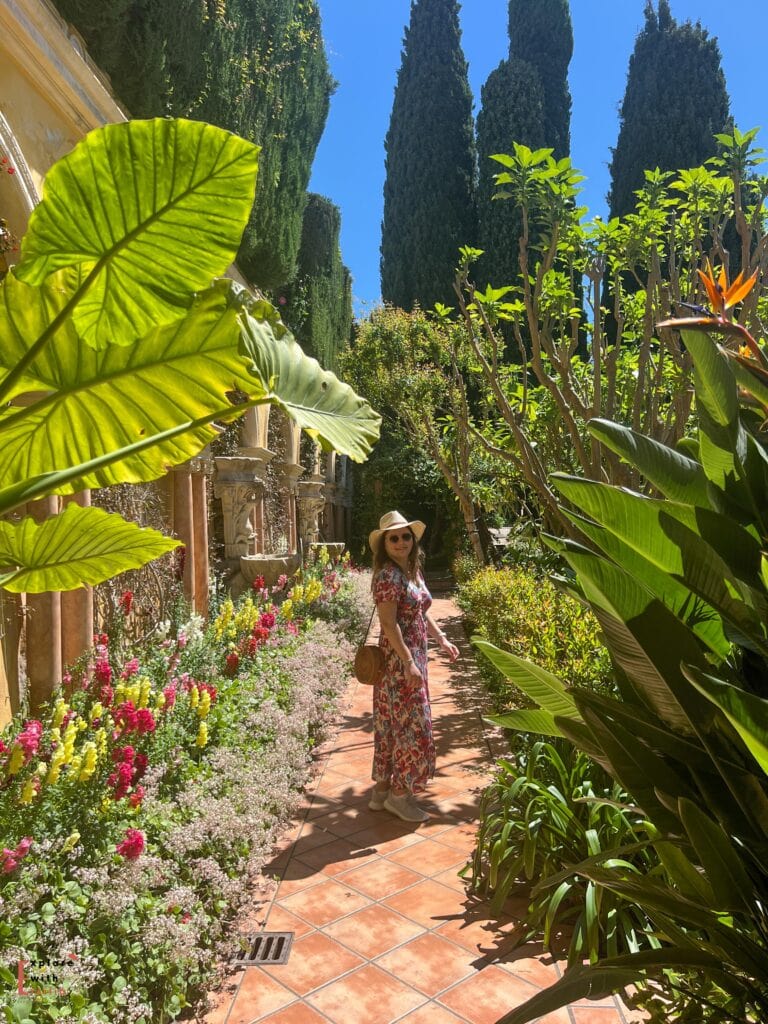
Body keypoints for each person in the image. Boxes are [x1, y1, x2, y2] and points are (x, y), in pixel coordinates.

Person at [367, 511, 460, 823]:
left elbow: (422, 612)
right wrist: (408, 662)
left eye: (406, 536)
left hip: (412, 660)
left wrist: (443, 640)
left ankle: (381, 793)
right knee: (410, 726)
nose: (401, 542)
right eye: (393, 538)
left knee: (392, 724)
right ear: (384, 544)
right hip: (399, 663)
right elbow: (389, 626)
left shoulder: (411, 571)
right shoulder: (387, 577)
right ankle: (400, 796)